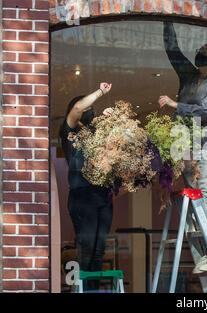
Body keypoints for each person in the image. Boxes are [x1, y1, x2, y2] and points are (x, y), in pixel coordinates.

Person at [159, 21, 207, 278]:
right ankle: (201, 256)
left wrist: (176, 104)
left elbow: (206, 111)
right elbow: (173, 50)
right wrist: (167, 19)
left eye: (205, 53)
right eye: (200, 52)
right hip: (187, 147)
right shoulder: (188, 75)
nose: (200, 56)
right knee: (192, 202)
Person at [59, 83, 113, 291]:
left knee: (99, 249)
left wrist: (110, 122)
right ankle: (80, 289)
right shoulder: (68, 130)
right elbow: (77, 110)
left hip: (102, 197)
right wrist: (100, 92)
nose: (90, 112)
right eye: (88, 110)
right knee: (87, 246)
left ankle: (92, 289)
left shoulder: (96, 134)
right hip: (82, 197)